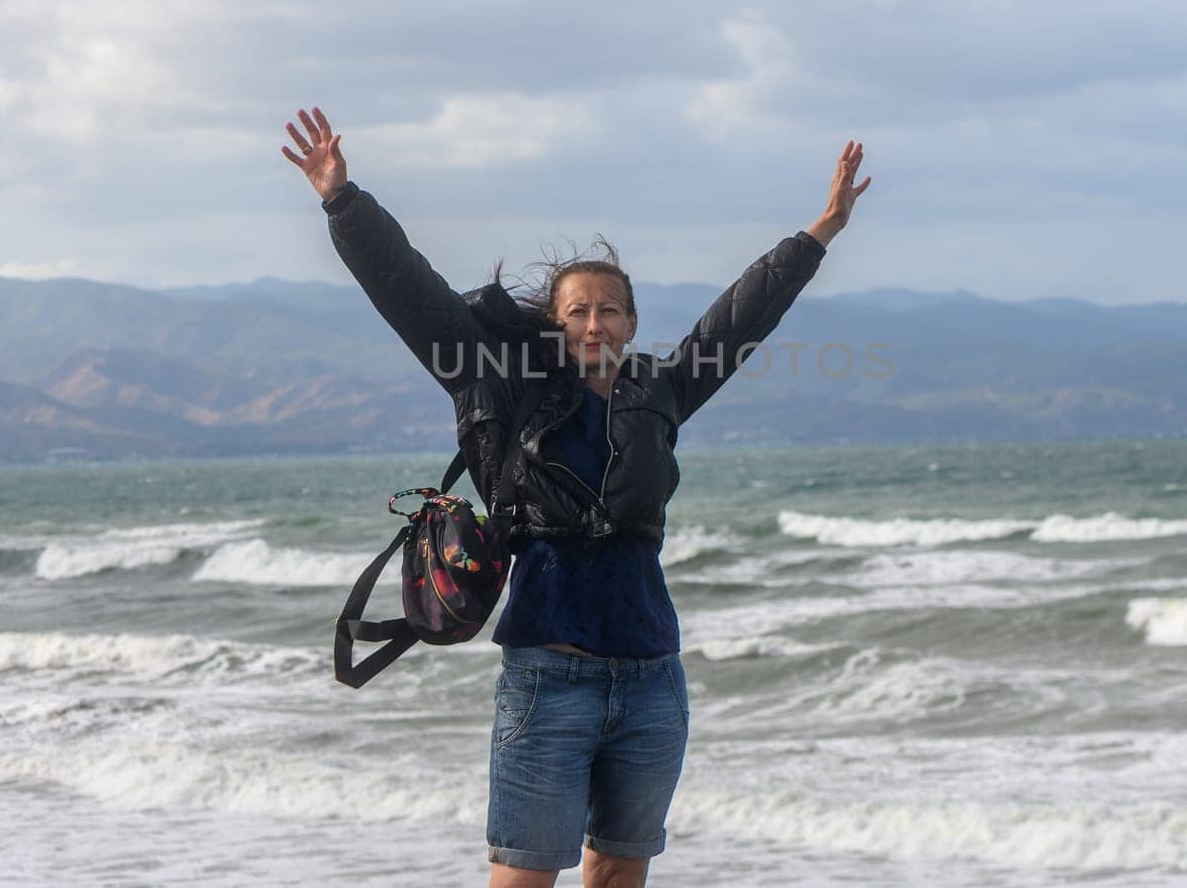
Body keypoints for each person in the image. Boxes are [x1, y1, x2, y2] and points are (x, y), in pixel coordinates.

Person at [283, 106, 870, 888]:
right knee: (524, 878)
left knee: (621, 871)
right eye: (578, 310)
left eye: (610, 308)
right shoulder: (505, 391)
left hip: (653, 676)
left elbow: (742, 315)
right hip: (546, 679)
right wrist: (342, 202)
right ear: (556, 326)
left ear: (630, 321)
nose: (595, 321)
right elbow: (412, 295)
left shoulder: (661, 390)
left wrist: (819, 231)